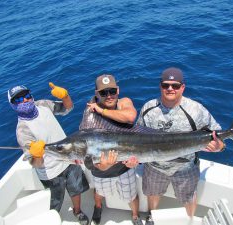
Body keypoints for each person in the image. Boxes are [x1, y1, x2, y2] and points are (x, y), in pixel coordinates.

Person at [136, 67, 225, 225]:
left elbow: (218, 137)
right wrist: (135, 160)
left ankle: (190, 220)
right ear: (160, 86)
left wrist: (218, 147)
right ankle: (152, 217)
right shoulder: (148, 108)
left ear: (182, 87)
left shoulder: (196, 110)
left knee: (189, 198)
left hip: (186, 168)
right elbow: (137, 141)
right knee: (153, 194)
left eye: (175, 85)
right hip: (155, 167)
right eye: (166, 85)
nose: (170, 88)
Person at [8, 83, 90, 225]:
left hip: (70, 159)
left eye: (26, 96)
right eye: (18, 100)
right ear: (13, 105)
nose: (25, 100)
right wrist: (37, 155)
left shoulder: (43, 104)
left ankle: (78, 211)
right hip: (50, 172)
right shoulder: (22, 131)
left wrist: (65, 96)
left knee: (76, 189)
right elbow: (35, 164)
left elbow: (68, 107)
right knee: (55, 202)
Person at [79, 74, 143, 225]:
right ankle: (98, 207)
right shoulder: (90, 113)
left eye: (112, 91)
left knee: (131, 196)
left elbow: (130, 117)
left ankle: (135, 216)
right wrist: (105, 166)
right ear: (96, 94)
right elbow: (89, 161)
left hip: (124, 167)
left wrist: (101, 111)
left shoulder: (124, 102)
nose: (109, 96)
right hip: (101, 170)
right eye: (103, 92)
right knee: (100, 193)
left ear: (118, 90)